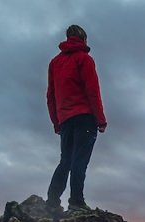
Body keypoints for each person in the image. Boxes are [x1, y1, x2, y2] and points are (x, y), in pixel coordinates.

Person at [47, 24, 108, 210]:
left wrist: (57, 122)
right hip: (84, 117)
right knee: (79, 160)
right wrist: (101, 119)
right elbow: (92, 91)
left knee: (65, 160)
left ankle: (51, 201)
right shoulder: (84, 59)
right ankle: (76, 202)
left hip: (65, 119)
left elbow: (51, 95)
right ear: (83, 39)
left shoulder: (55, 63)